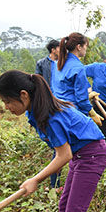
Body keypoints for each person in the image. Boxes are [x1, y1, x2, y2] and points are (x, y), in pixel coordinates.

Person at [0, 70, 106, 212]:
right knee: (64, 205)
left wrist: (35, 179)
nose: (6, 107)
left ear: (24, 95)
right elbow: (62, 153)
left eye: (8, 101)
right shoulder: (37, 110)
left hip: (92, 155)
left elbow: (64, 155)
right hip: (81, 154)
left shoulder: (50, 117)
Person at [52, 32, 103, 127]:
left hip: (58, 109)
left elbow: (61, 89)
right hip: (73, 113)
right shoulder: (78, 68)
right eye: (86, 46)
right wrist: (92, 113)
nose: (86, 49)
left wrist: (88, 96)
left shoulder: (57, 64)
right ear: (79, 47)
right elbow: (81, 99)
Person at [35, 39, 61, 188]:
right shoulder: (41, 64)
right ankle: (54, 184)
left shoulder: (63, 63)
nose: (61, 50)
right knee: (58, 148)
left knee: (59, 148)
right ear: (53, 49)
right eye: (59, 48)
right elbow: (37, 83)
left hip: (60, 104)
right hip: (47, 104)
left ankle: (55, 184)